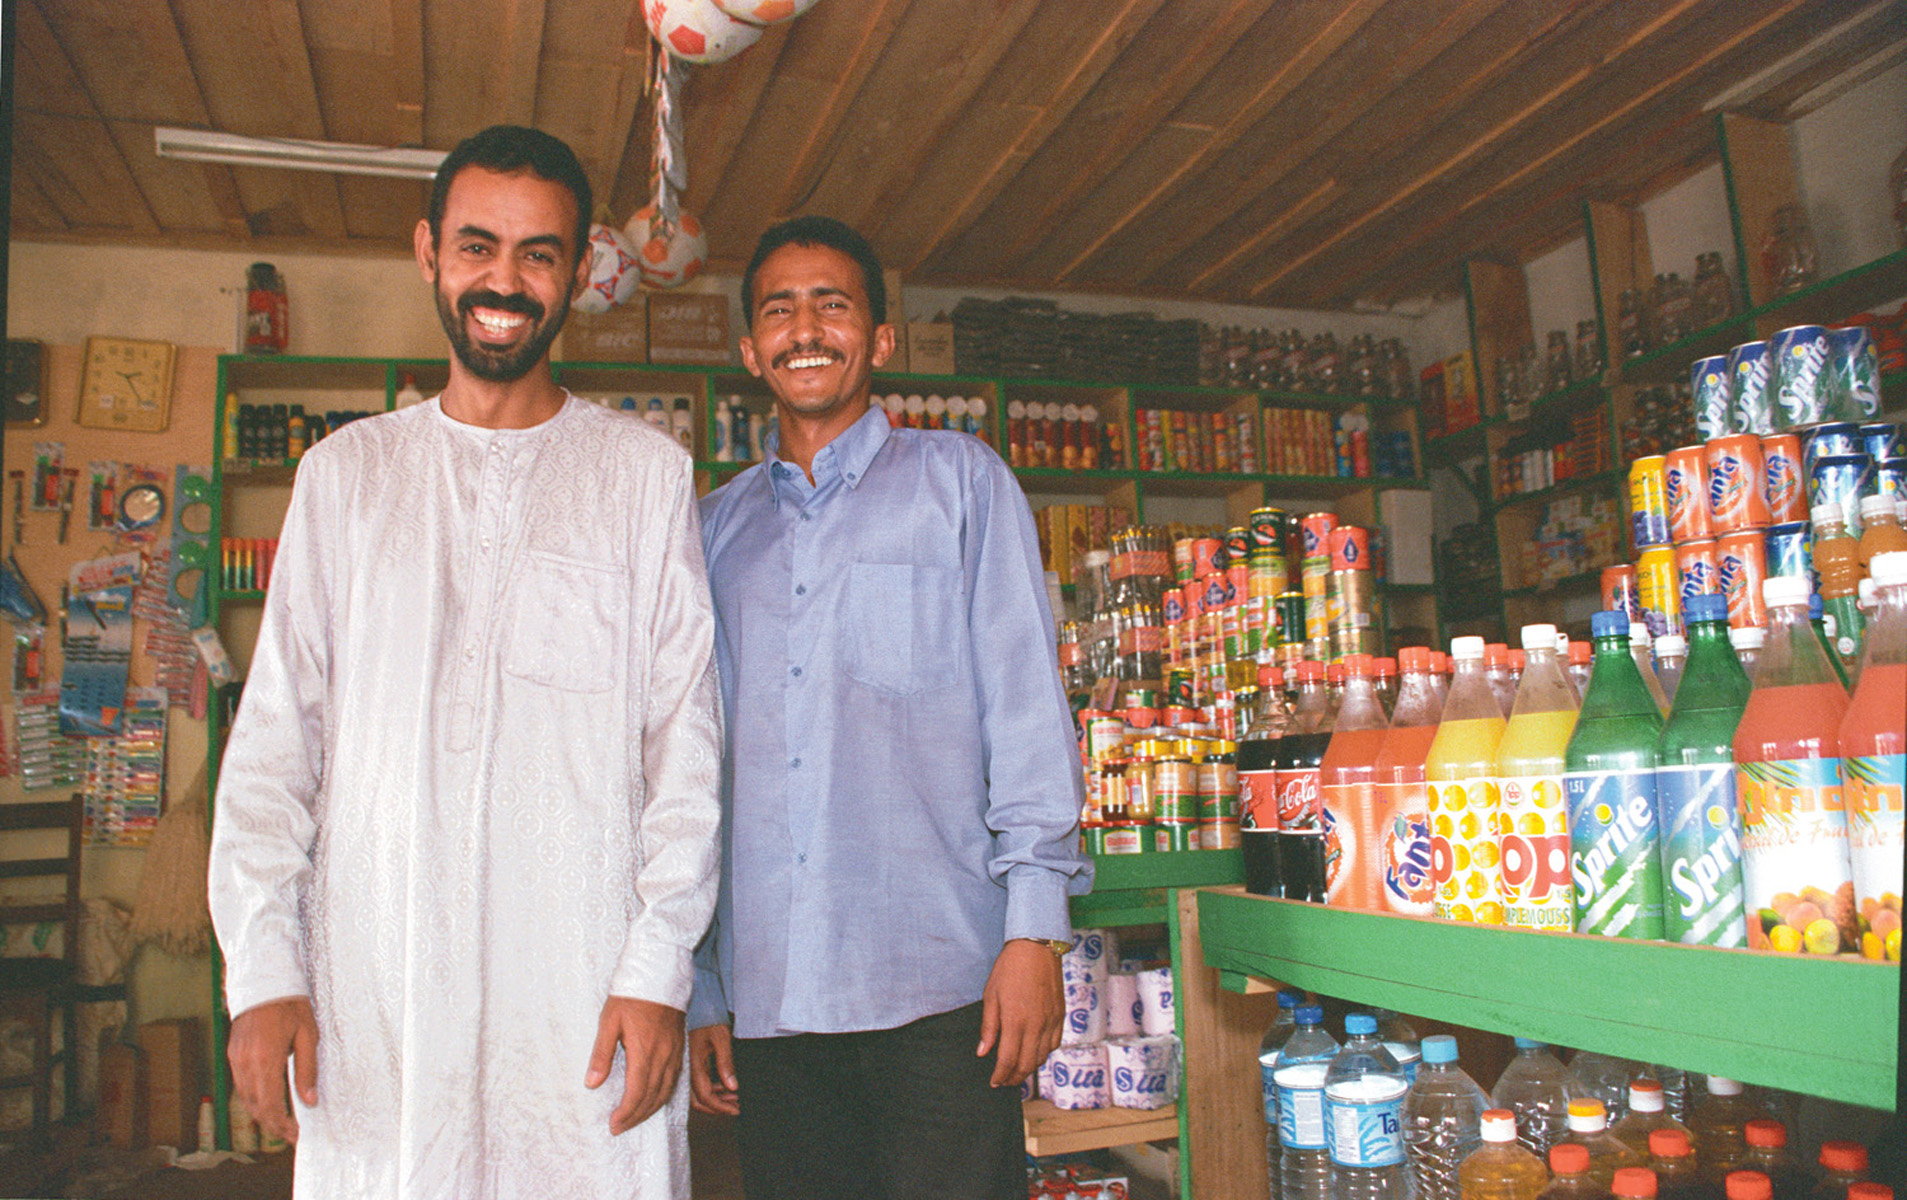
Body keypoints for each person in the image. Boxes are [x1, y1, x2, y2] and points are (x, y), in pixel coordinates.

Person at [207, 125, 722, 1199]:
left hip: (583, 1003)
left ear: (579, 274)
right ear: (428, 251)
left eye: (539, 254)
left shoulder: (642, 478)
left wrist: (657, 966)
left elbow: (686, 750)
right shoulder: (344, 479)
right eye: (477, 245)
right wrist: (262, 972)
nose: (505, 280)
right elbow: (271, 755)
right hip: (378, 1002)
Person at [688, 215, 1092, 1199]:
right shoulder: (712, 529)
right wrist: (699, 981)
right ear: (750, 351)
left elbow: (1027, 718)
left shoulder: (960, 485)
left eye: (833, 302)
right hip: (773, 997)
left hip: (940, 983)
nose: (805, 327)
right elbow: (694, 762)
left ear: (878, 339)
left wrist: (1033, 933)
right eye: (779, 309)